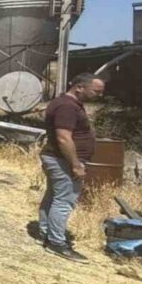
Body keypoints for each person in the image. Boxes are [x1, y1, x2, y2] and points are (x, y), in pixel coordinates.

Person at [37, 73, 105, 262]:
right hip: (63, 160)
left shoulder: (66, 103)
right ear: (80, 87)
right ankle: (57, 243)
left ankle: (46, 233)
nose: (99, 95)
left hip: (57, 158)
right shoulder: (67, 106)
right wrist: (75, 164)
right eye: (96, 91)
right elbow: (63, 137)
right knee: (64, 201)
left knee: (53, 196)